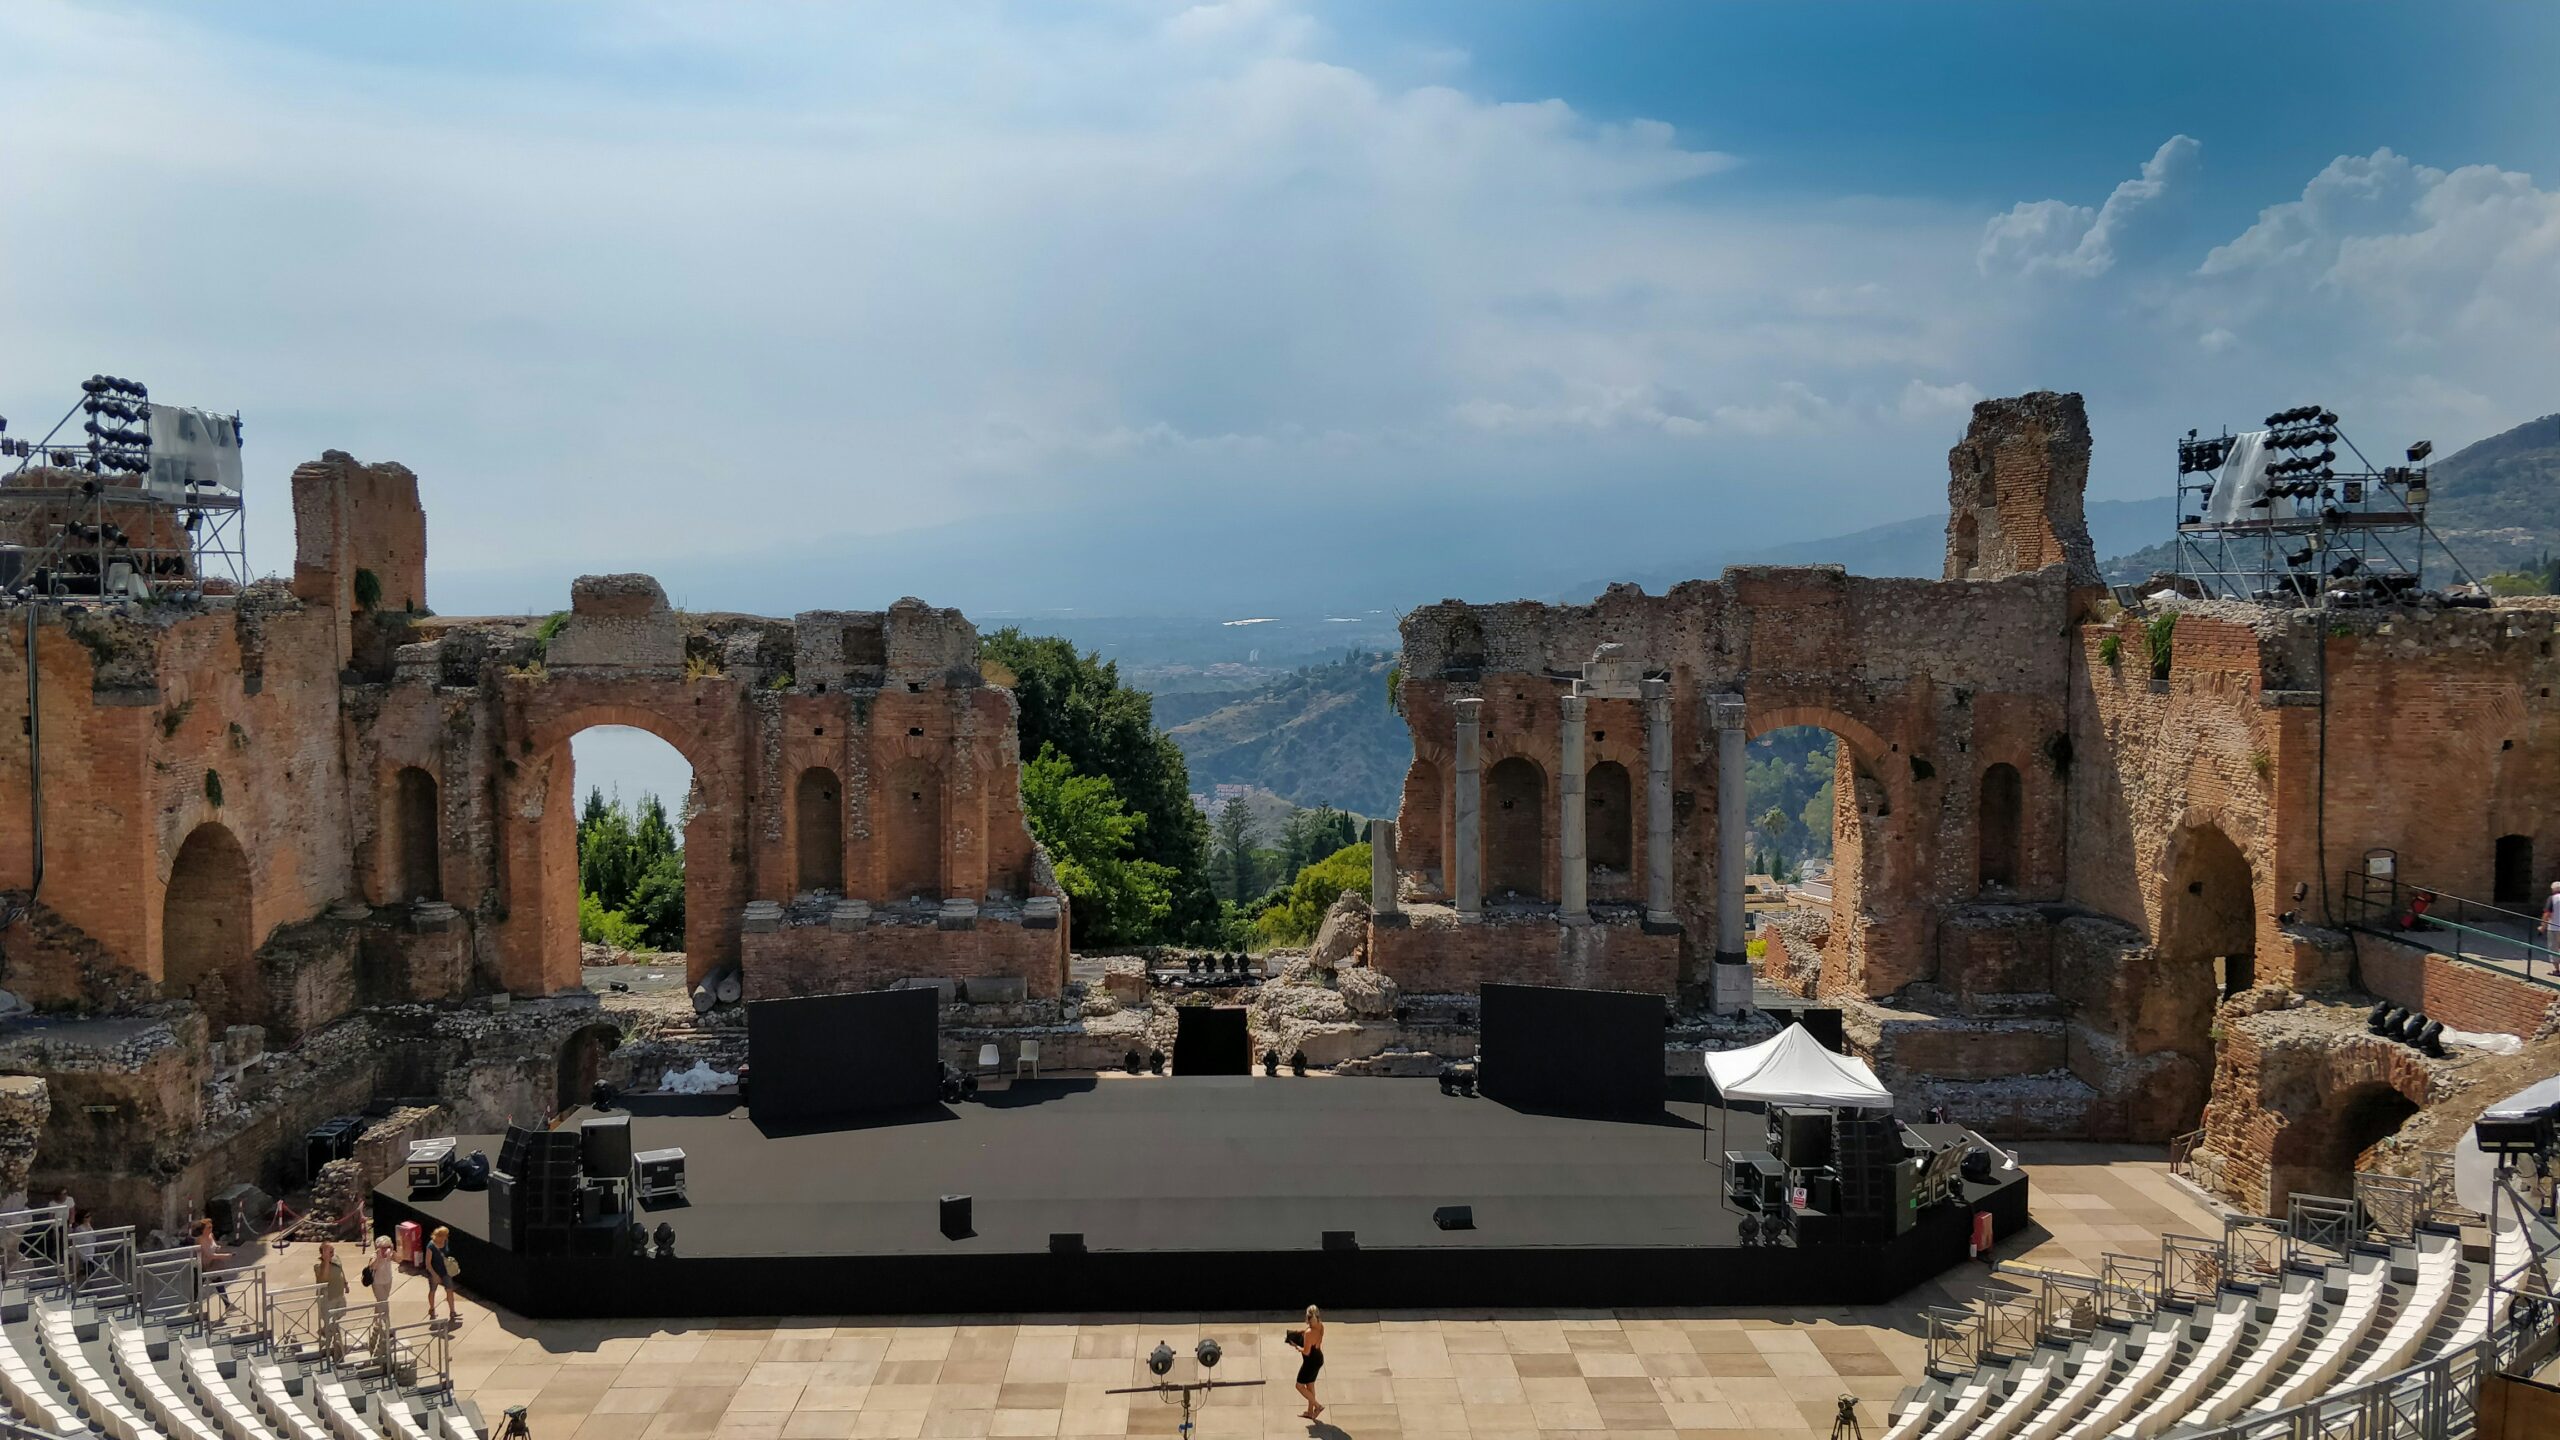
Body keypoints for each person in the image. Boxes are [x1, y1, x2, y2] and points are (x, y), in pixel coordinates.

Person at [1287, 1304, 1325, 1422]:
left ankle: (1317, 1406)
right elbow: (1314, 1338)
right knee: (1310, 1384)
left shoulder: (1308, 1333)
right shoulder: (1321, 1326)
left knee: (1299, 1386)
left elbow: (1306, 1352)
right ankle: (1310, 1411)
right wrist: (1302, 1332)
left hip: (1310, 1362)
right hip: (1318, 1358)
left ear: (1308, 1318)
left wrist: (1296, 1346)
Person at [313, 1240, 350, 1355]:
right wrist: (326, 1261)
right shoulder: (318, 1265)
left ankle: (327, 1332)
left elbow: (341, 1270)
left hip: (339, 1294)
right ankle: (331, 1342)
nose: (332, 1252)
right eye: (329, 1251)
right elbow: (324, 1278)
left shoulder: (336, 1258)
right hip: (327, 1298)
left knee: (340, 1314)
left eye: (332, 1250)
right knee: (329, 1320)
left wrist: (345, 1283)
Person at [422, 1225, 459, 1327]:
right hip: (434, 1271)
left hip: (445, 1271)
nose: (446, 1237)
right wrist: (435, 1275)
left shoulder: (445, 1242)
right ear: (439, 1236)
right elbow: (428, 1264)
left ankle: (452, 1311)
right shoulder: (431, 1246)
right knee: (433, 1290)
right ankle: (432, 1308)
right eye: (444, 1235)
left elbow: (446, 1254)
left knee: (449, 1290)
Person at [365, 1235, 396, 1336]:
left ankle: (376, 1324)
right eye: (383, 1248)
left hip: (387, 1281)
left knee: (381, 1303)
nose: (386, 1249)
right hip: (378, 1283)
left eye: (388, 1246)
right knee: (384, 1304)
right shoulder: (374, 1256)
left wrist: (392, 1250)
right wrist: (379, 1257)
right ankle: (388, 1328)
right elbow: (372, 1266)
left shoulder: (390, 1254)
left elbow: (400, 1259)